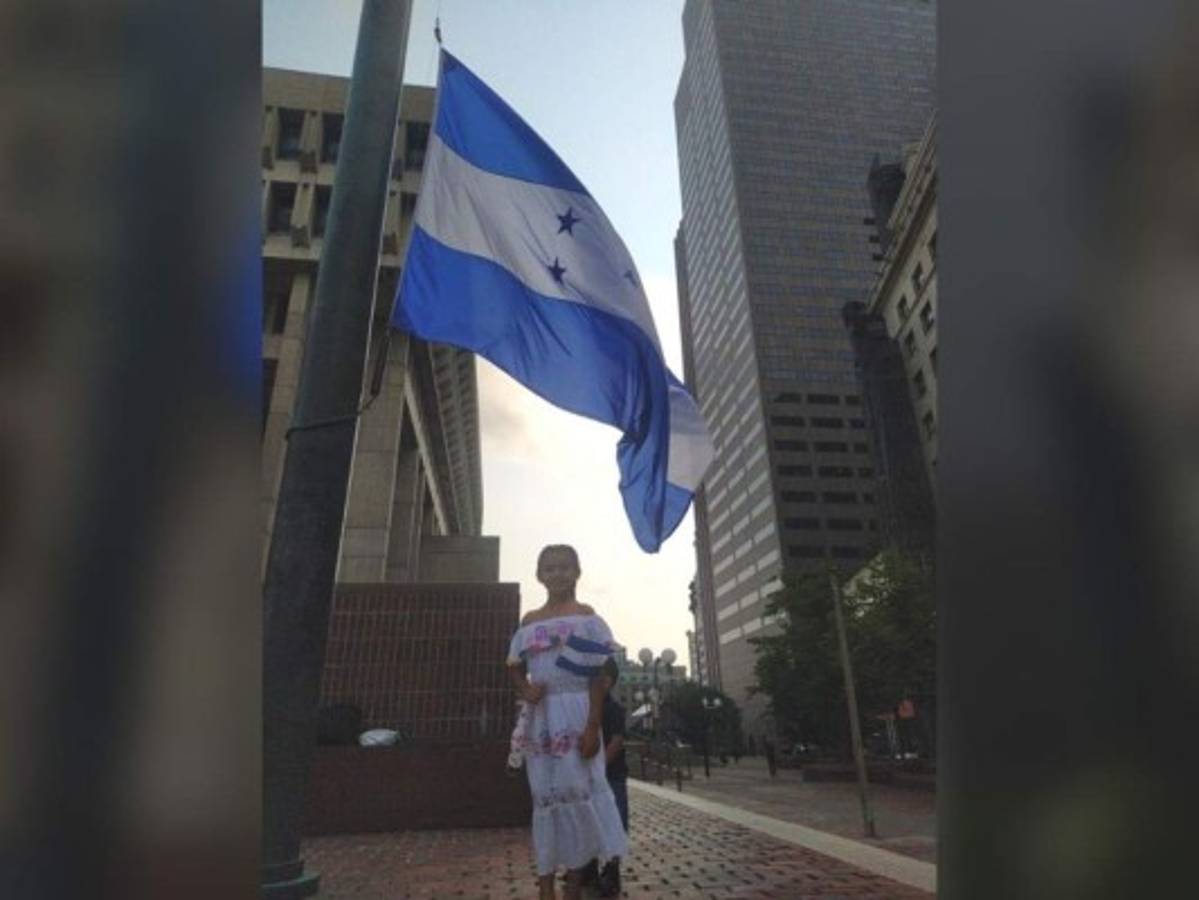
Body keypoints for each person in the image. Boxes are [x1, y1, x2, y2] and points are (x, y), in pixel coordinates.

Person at [507, 545, 627, 900]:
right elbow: (513, 663)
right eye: (549, 568)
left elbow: (596, 677)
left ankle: (573, 884)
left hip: (577, 713)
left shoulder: (587, 617)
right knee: (543, 794)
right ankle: (545, 884)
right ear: (538, 575)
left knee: (579, 793)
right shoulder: (529, 620)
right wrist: (525, 688)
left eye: (564, 567)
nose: (557, 574)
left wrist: (592, 727)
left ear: (577, 572)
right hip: (541, 717)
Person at [580, 657, 628, 897]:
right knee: (589, 822)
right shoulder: (586, 708)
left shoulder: (613, 708)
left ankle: (612, 872)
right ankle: (589, 869)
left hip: (613, 777)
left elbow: (616, 742)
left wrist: (598, 768)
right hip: (591, 779)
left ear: (606, 682)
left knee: (615, 822)